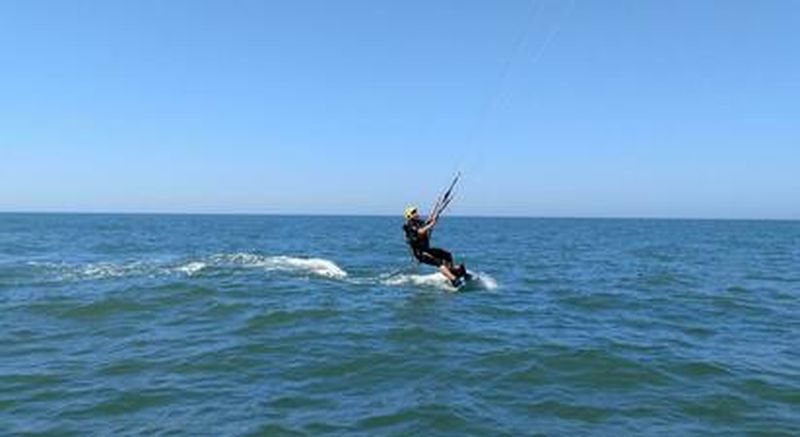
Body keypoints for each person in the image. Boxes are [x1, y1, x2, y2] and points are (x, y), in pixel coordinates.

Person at [402, 205, 469, 287]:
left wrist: (432, 219)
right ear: (409, 216)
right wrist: (431, 225)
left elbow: (426, 223)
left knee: (447, 255)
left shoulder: (418, 222)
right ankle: (453, 280)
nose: (416, 213)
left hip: (426, 250)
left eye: (415, 211)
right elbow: (420, 232)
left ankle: (452, 271)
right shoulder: (409, 225)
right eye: (413, 212)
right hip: (420, 253)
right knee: (439, 263)